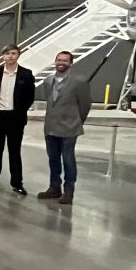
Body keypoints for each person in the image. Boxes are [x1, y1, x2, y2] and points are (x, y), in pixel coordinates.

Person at [38, 51, 92, 205]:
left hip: (69, 128)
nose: (61, 62)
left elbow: (85, 105)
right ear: (55, 62)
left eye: (65, 60)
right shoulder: (48, 81)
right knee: (53, 159)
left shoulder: (79, 82)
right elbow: (51, 103)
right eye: (59, 60)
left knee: (68, 159)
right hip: (50, 127)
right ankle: (54, 188)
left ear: (71, 63)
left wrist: (77, 121)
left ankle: (69, 191)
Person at [0, 44, 36, 195]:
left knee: (14, 151)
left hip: (15, 118)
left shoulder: (26, 74)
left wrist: (19, 111)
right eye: (7, 53)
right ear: (3, 56)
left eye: (13, 53)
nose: (10, 56)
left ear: (18, 55)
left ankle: (17, 183)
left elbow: (29, 97)